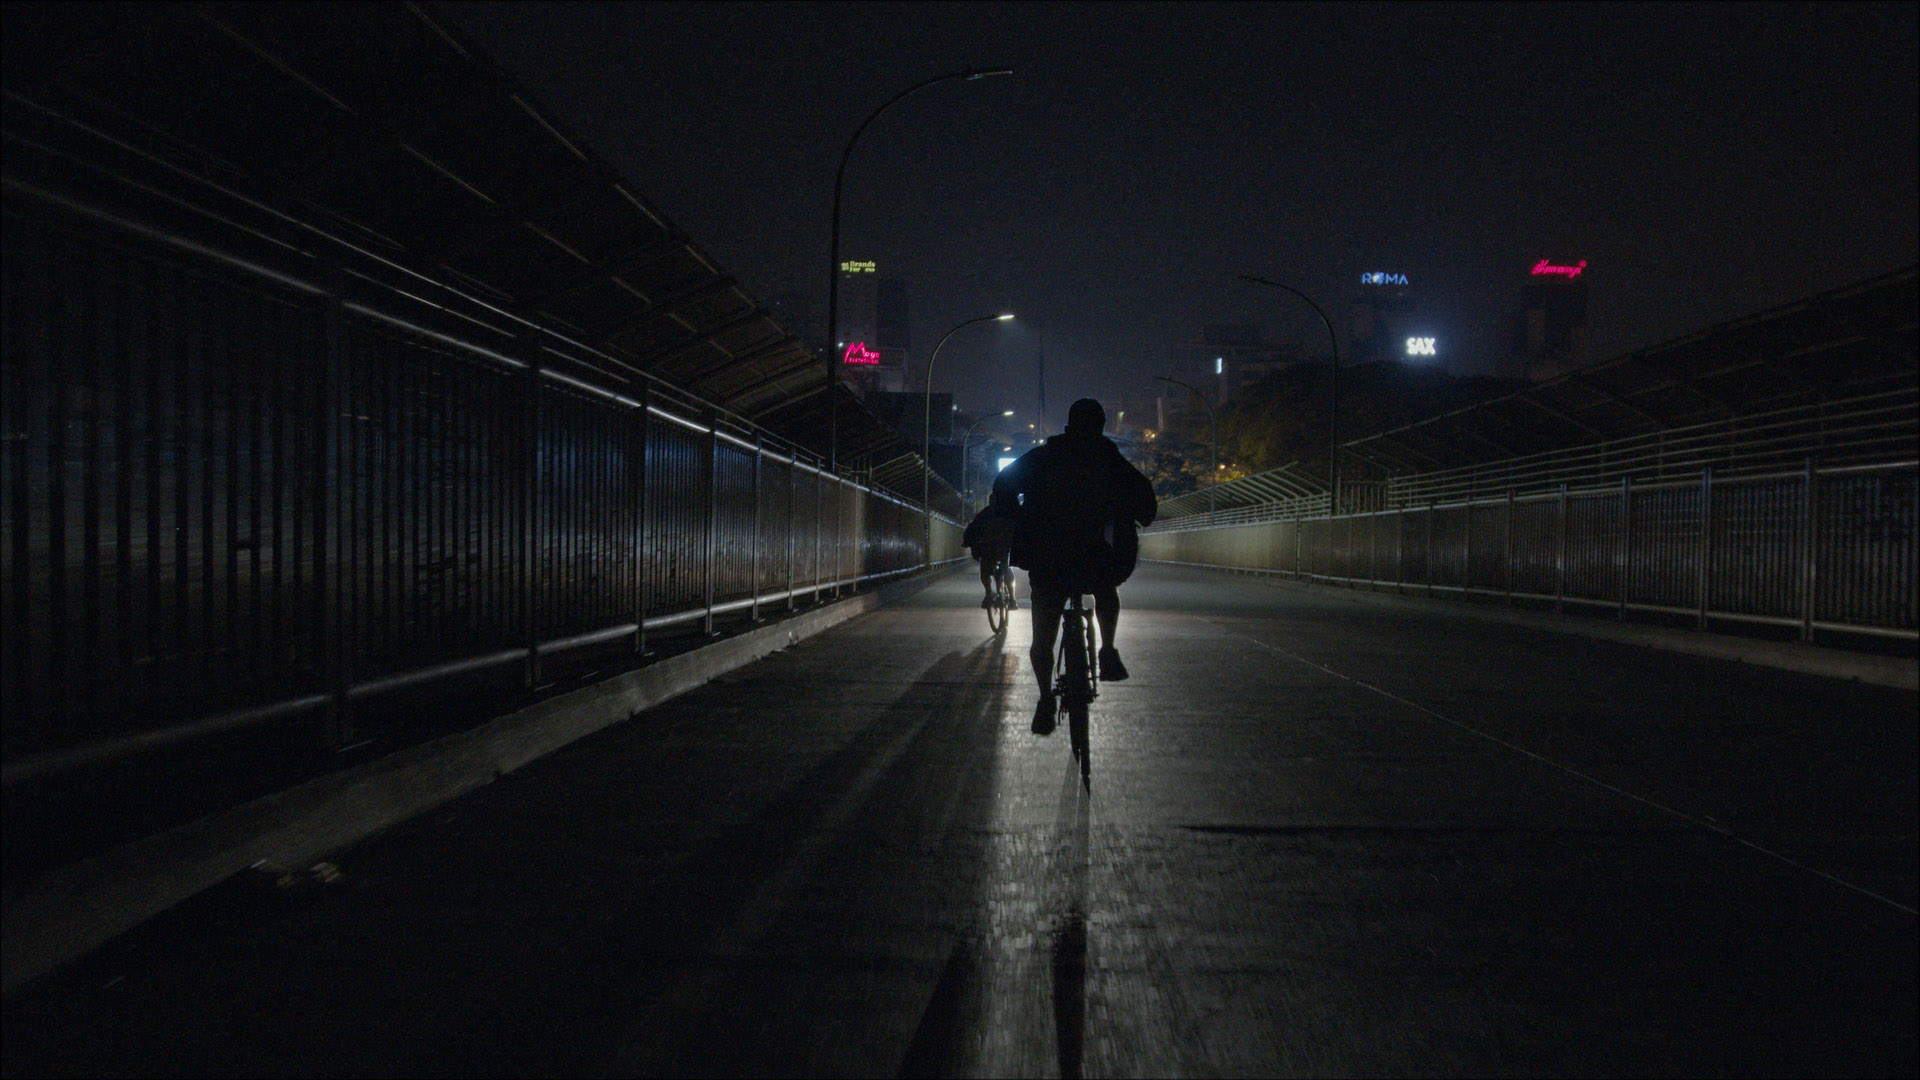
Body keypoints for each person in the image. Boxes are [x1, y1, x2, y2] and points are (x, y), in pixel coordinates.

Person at [991, 397, 1156, 734]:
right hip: (1094, 556)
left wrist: (1019, 517)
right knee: (1105, 590)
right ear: (1101, 426)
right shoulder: (1108, 458)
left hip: (1048, 557)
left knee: (1043, 637)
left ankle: (1044, 699)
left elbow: (1004, 483)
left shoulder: (1045, 457)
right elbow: (1144, 497)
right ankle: (1107, 650)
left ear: (1068, 426)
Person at [962, 500, 1017, 609]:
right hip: (1003, 547)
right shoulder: (1009, 513)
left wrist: (970, 543)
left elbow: (972, 529)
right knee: (1006, 568)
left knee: (985, 570)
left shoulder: (985, 513)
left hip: (988, 549)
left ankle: (988, 594)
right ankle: (1012, 599)